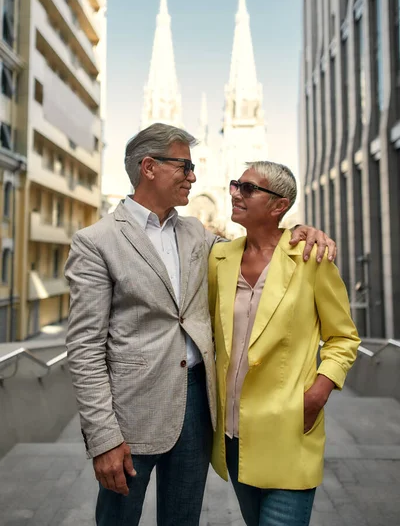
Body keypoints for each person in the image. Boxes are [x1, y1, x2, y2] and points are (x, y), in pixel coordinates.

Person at [65, 124, 337, 526]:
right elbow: (84, 351)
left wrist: (297, 230)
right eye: (185, 166)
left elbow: (258, 251)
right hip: (129, 414)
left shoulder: (197, 234)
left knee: (183, 519)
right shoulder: (96, 241)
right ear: (149, 167)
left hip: (197, 409)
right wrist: (103, 438)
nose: (194, 176)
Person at [208, 160, 360, 526]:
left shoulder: (310, 259)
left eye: (247, 188)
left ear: (279, 205)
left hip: (290, 432)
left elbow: (343, 337)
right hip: (234, 438)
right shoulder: (218, 258)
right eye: (234, 185)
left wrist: (318, 392)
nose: (234, 193)